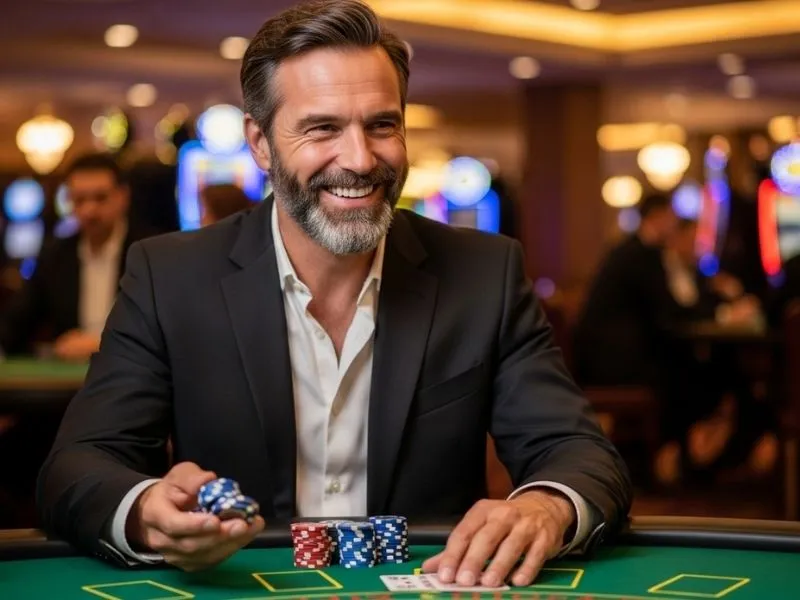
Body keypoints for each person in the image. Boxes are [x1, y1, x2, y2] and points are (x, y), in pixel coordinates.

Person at [36, 0, 631, 588]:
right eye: (323, 128)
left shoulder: (483, 273)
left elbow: (578, 452)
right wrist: (145, 511)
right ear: (260, 143)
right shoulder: (170, 275)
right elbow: (78, 465)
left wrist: (547, 505)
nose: (360, 159)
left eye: (382, 125)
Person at [0, 152, 153, 362]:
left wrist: (102, 344)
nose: (90, 210)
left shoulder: (150, 252)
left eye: (100, 198)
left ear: (122, 197)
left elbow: (166, 331)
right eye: (80, 200)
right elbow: (14, 325)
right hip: (70, 378)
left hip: (134, 373)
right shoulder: (54, 255)